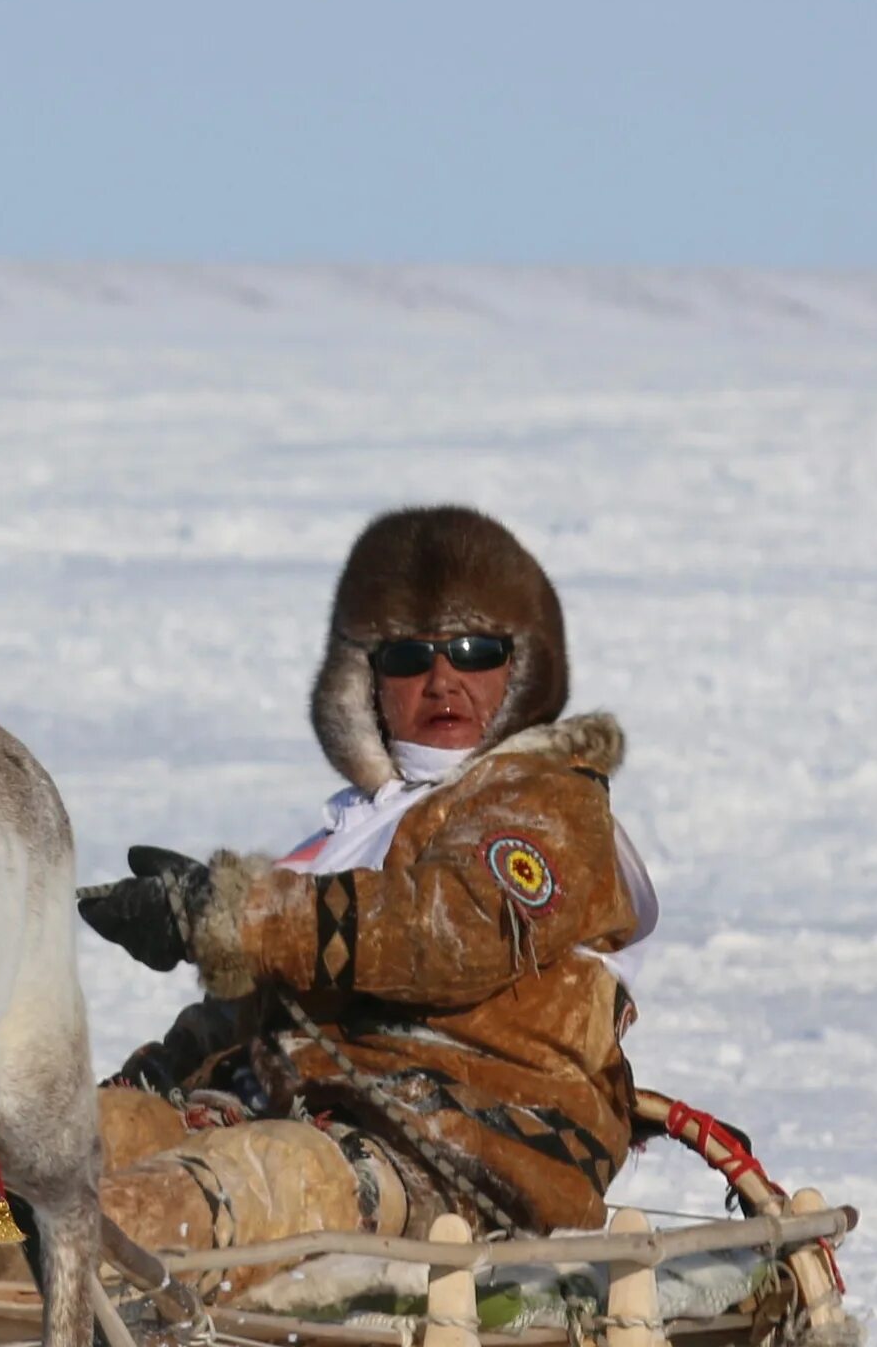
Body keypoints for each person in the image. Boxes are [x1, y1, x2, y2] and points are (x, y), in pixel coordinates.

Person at [73, 505, 657, 1285]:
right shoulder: (351, 834)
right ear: (365, 681)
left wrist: (231, 915)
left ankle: (92, 1270)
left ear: (523, 669)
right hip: (307, 1112)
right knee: (59, 1155)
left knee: (153, 1211)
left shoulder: (544, 801)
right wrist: (154, 1079)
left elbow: (451, 930)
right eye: (409, 656)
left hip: (466, 1146)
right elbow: (273, 1005)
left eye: (475, 651)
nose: (443, 679)